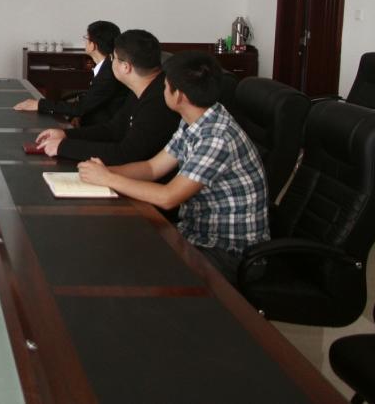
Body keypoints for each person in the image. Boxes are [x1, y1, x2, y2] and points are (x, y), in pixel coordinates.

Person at [77, 51, 269, 282]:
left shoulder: (217, 137)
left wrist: (108, 179)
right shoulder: (196, 119)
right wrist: (104, 172)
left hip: (227, 252)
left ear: (179, 96)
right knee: (120, 246)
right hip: (194, 234)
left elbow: (169, 197)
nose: (162, 90)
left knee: (128, 266)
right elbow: (152, 168)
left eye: (165, 85)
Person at [34, 29, 179, 164]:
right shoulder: (143, 88)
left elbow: (126, 153)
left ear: (126, 67)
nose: (110, 63)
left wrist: (64, 147)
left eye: (113, 58)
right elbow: (114, 129)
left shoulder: (159, 100)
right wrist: (66, 135)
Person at [14, 20, 127, 126]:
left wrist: (39, 104)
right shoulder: (108, 66)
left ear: (93, 45)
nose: (85, 42)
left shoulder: (108, 74)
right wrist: (78, 115)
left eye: (86, 38)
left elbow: (81, 108)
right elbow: (92, 101)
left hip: (100, 130)